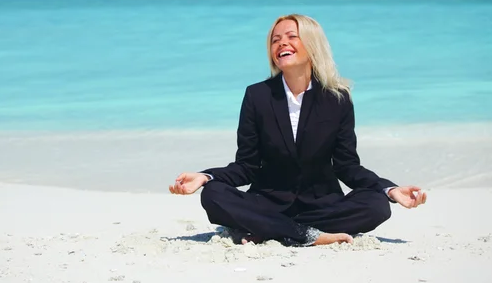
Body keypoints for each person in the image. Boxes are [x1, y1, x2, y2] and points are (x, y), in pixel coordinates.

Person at [169, 14, 427, 246]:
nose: (281, 44)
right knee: (213, 194)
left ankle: (271, 231)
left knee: (377, 204)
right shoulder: (257, 96)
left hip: (322, 207)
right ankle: (307, 235)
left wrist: (390, 190)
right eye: (275, 40)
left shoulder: (337, 99)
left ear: (312, 45)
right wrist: (206, 177)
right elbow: (246, 166)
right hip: (267, 204)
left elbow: (347, 167)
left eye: (292, 37)